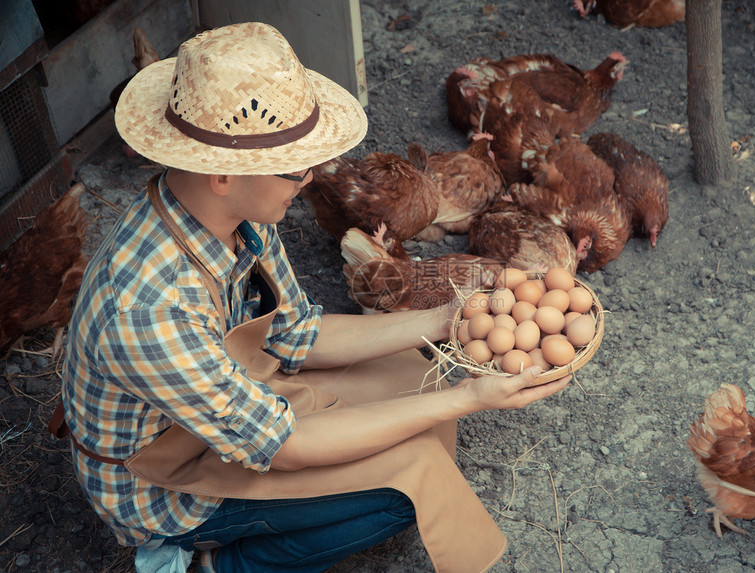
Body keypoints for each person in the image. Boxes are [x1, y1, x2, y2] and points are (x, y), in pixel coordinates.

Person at [56, 22, 570, 573]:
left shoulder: (232, 214)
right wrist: (471, 399)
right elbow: (286, 444)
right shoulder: (146, 308)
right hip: (163, 481)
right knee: (412, 486)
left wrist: (445, 320)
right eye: (295, 165)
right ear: (227, 173)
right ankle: (217, 566)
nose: (310, 177)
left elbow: (296, 334)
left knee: (416, 379)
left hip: (232, 397)